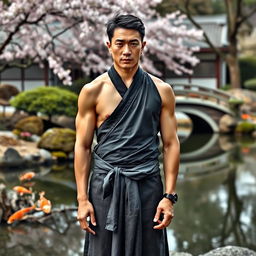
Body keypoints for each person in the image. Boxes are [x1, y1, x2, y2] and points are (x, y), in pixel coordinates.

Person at [74, 14, 180, 256]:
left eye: (134, 43)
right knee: (103, 249)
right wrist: (82, 200)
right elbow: (82, 146)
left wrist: (169, 197)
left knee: (149, 249)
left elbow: (171, 144)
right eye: (120, 43)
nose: (127, 51)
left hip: (148, 185)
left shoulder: (162, 91)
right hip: (105, 186)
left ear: (143, 46)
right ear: (108, 45)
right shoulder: (92, 91)